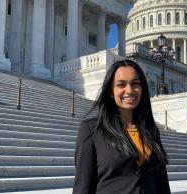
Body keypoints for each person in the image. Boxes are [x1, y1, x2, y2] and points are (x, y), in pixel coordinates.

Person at [73, 59, 171, 194]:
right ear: (110, 92)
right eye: (121, 85)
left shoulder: (150, 130)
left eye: (135, 84)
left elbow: (162, 183)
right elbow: (82, 186)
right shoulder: (92, 129)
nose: (130, 90)